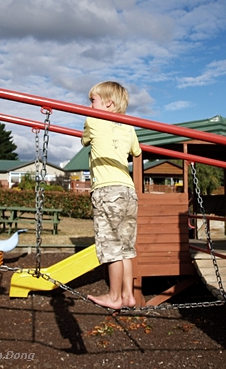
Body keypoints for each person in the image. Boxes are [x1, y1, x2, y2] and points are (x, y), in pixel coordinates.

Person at [81, 81, 142, 309]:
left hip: (107, 190)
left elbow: (84, 140)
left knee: (112, 248)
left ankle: (114, 296)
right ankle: (128, 295)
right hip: (128, 192)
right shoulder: (130, 126)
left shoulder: (93, 120)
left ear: (108, 103)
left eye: (92, 100)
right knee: (126, 248)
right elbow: (136, 151)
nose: (89, 105)